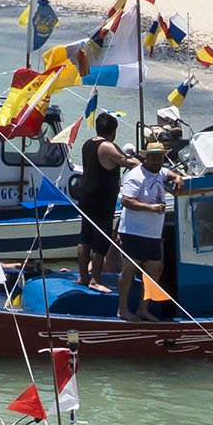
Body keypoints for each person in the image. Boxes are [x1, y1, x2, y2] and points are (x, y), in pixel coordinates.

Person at [115, 143, 178, 322]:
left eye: (160, 157)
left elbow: (168, 173)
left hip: (152, 234)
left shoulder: (160, 172)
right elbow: (126, 201)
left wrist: (178, 177)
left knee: (155, 269)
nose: (158, 161)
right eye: (154, 157)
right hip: (134, 232)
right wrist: (150, 208)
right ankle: (123, 309)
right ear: (146, 158)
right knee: (128, 270)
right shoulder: (135, 176)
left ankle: (143, 308)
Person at [76, 113, 133, 292]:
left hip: (86, 197)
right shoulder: (107, 146)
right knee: (101, 240)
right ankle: (96, 279)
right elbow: (126, 161)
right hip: (101, 200)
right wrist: (150, 165)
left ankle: (83, 276)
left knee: (85, 237)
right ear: (113, 131)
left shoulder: (88, 143)